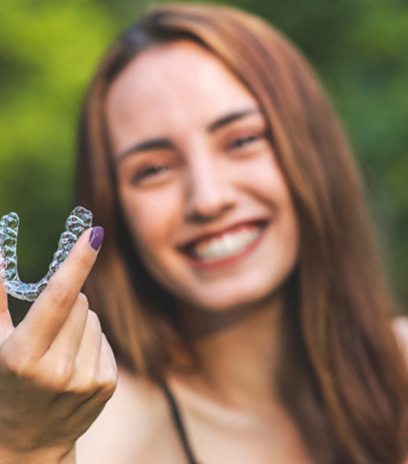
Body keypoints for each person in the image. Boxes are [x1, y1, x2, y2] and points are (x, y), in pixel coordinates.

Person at [0, 3, 407, 464]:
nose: (209, 199)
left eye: (242, 140)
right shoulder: (93, 436)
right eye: (153, 169)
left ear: (313, 150)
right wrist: (26, 449)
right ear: (113, 209)